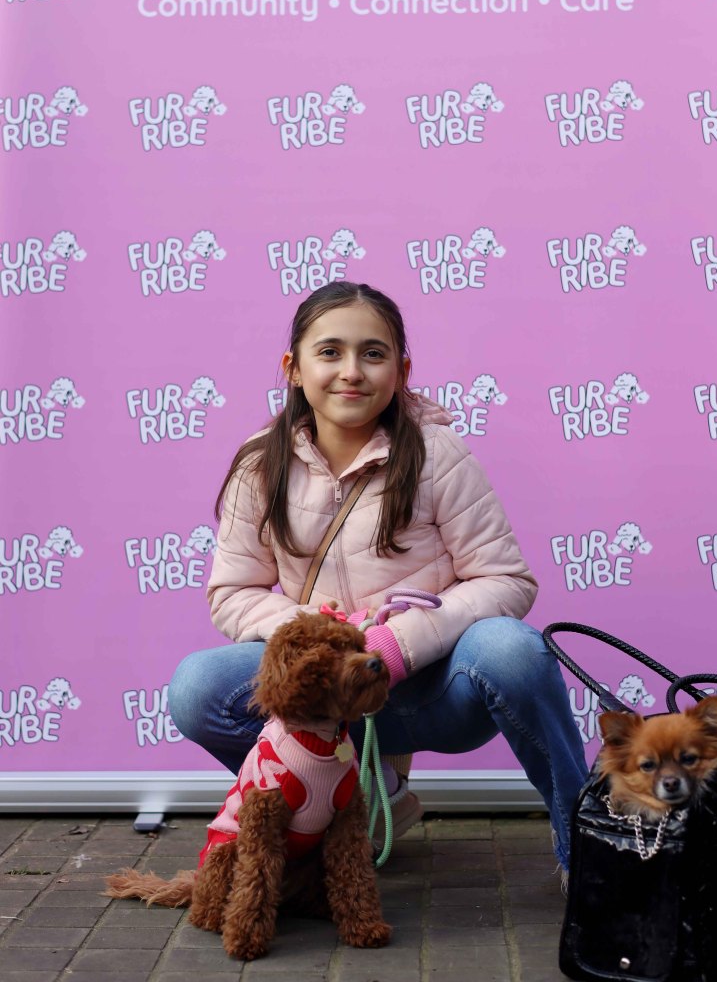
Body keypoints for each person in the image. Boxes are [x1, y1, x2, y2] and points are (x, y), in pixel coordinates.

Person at [169, 281, 588, 870]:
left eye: (372, 353)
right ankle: (353, 793)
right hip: (329, 698)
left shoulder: (438, 454)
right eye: (329, 352)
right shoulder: (261, 465)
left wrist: (397, 643)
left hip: (433, 688)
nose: (351, 371)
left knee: (513, 651)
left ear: (401, 370)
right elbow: (233, 592)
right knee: (196, 688)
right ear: (293, 369)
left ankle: (588, 850)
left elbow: (506, 581)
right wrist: (315, 632)